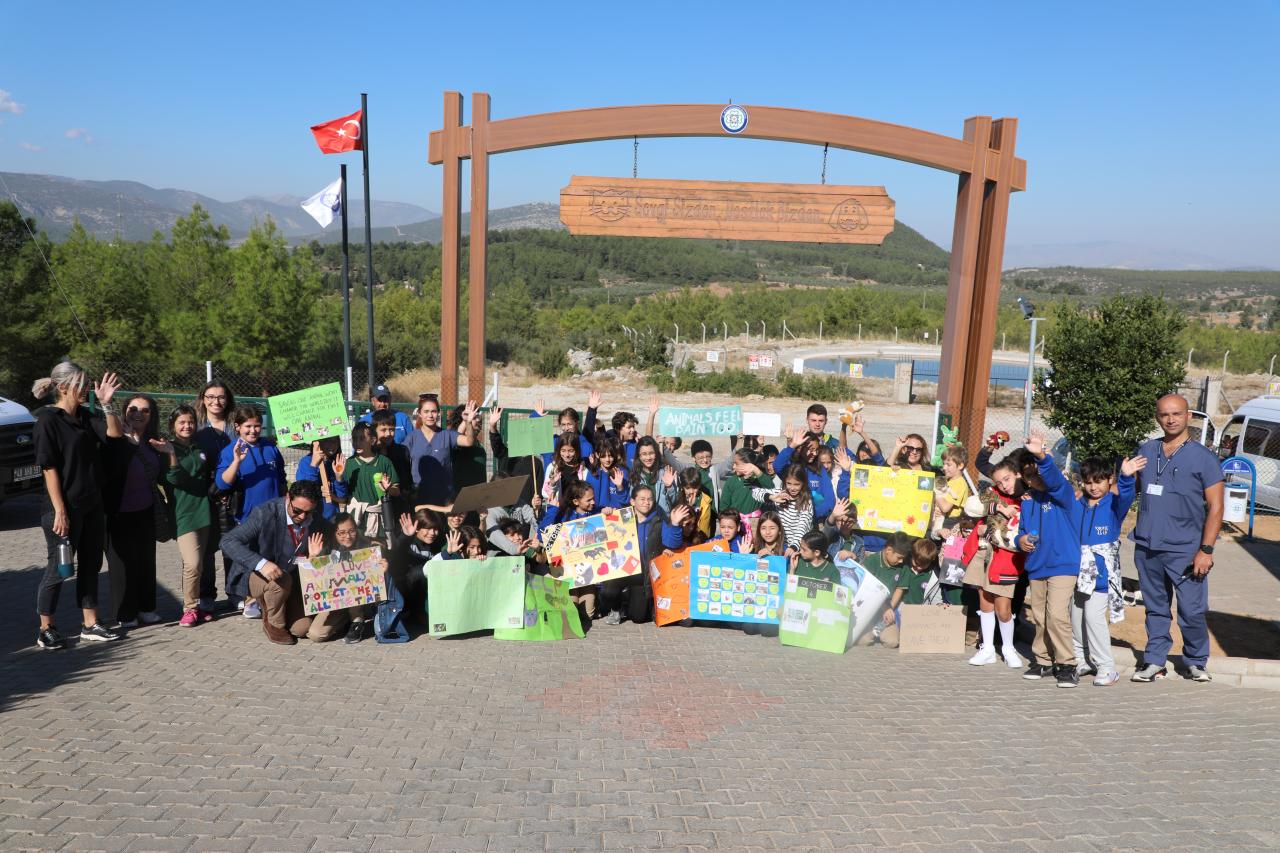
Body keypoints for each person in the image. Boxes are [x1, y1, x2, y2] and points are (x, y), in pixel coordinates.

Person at [1130, 394, 1224, 683]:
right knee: (1155, 608)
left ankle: (1195, 661)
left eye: (1177, 414)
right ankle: (1155, 660)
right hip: (1147, 547)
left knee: (1191, 611)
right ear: (1157, 417)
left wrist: (1205, 550)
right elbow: (1127, 489)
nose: (1170, 419)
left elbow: (1217, 507)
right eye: (1164, 414)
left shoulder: (1204, 458)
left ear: (1189, 417)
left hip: (1186, 550)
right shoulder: (1146, 450)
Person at [31, 363, 125, 649]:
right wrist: (60, 510)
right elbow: (49, 468)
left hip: (92, 504)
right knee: (60, 568)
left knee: (91, 564)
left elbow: (115, 435)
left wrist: (108, 405)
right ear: (63, 387)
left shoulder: (86, 416)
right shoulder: (48, 420)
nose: (87, 390)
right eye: (81, 385)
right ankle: (46, 628)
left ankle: (90, 624)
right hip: (63, 509)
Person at [218, 480, 334, 645]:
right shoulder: (264, 513)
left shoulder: (315, 517)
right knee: (281, 580)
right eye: (297, 510)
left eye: (308, 512)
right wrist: (261, 563)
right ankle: (274, 624)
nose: (302, 517)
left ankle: (279, 603)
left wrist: (314, 558)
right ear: (288, 497)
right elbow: (228, 541)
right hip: (255, 573)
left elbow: (336, 539)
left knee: (301, 629)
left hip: (293, 576)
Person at [1017, 433, 1084, 687]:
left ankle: (1067, 664)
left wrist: (1042, 457)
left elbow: (1055, 481)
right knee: (1040, 617)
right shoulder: (1027, 503)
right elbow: (1022, 531)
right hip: (1036, 566)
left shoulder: (1063, 495)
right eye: (1030, 475)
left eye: (1039, 473)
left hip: (1063, 565)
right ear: (1024, 479)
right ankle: (1043, 661)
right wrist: (1020, 541)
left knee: (1056, 614)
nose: (1037, 479)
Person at [1072, 456, 1144, 686]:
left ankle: (1106, 667)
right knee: (1075, 616)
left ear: (1109, 480)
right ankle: (1081, 660)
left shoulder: (1113, 505)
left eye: (1099, 481)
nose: (1094, 487)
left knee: (1094, 618)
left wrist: (1126, 477)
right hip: (1077, 572)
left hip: (1102, 576)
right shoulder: (1078, 502)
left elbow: (1126, 495)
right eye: (1089, 482)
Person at [215, 404, 286, 619]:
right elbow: (222, 483)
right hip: (248, 516)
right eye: (248, 426)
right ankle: (249, 599)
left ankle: (271, 597)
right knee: (251, 558)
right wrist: (236, 462)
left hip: (275, 513)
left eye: (257, 426)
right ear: (237, 427)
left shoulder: (270, 447)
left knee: (272, 555)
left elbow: (281, 478)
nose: (253, 430)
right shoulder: (229, 451)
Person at [104, 394, 167, 628]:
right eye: (133, 409)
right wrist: (129, 442)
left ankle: (147, 608)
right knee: (122, 564)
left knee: (145, 561)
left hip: (146, 509)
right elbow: (113, 468)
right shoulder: (115, 438)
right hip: (119, 512)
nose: (138, 414)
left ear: (152, 416)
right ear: (124, 411)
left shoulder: (153, 441)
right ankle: (125, 613)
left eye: (145, 410)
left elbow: (160, 475)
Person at [158, 405, 214, 627]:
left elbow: (203, 476)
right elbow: (174, 479)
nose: (187, 426)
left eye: (190, 421)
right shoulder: (165, 449)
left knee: (201, 564)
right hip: (183, 514)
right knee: (192, 563)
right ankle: (189, 608)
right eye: (181, 422)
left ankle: (198, 606)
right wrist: (171, 453)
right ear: (173, 425)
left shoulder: (199, 448)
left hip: (204, 511)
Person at [194, 380, 237, 611]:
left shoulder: (235, 427)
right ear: (203, 399)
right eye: (210, 396)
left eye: (220, 397)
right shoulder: (196, 428)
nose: (215, 401)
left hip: (233, 497)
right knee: (207, 548)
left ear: (227, 399)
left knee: (233, 546)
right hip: (205, 497)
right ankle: (206, 594)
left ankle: (235, 592)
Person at [403, 395, 478, 508]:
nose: (430, 415)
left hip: (444, 497)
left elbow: (469, 441)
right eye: (426, 411)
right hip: (419, 497)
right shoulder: (412, 438)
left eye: (433, 411)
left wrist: (467, 422)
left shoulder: (447, 435)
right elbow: (401, 460)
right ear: (419, 413)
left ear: (438, 413)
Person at [326, 512, 388, 643]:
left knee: (353, 585)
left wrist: (383, 569)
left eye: (351, 531)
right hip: (335, 601)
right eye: (341, 533)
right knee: (316, 634)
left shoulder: (368, 547)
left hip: (359, 601)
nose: (347, 536)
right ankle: (344, 621)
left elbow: (377, 578)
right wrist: (314, 557)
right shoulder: (327, 547)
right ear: (334, 533)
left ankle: (357, 622)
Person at [342, 422, 399, 540]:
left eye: (362, 438)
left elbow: (397, 491)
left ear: (373, 440)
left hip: (382, 518)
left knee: (380, 553)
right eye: (354, 438)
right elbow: (342, 494)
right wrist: (338, 478)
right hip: (357, 519)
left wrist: (388, 489)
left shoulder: (384, 462)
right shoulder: (348, 464)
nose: (357, 442)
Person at [294, 437, 348, 521]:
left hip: (332, 518)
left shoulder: (336, 463)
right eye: (327, 441)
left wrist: (339, 478)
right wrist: (314, 465)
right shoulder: (306, 462)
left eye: (335, 441)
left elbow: (342, 498)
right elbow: (305, 491)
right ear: (317, 443)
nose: (332, 445)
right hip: (311, 519)